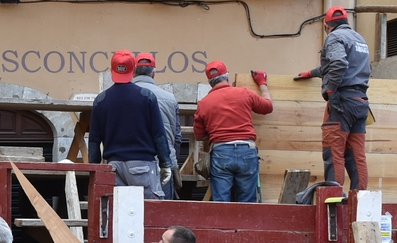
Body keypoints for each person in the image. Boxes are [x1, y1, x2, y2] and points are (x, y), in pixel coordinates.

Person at [296, 6, 372, 192]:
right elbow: (341, 64)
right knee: (356, 155)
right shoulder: (358, 39)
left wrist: (331, 91)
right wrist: (312, 73)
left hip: (342, 102)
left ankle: (333, 203)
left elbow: (338, 63)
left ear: (326, 26)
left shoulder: (334, 37)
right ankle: (359, 203)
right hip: (360, 102)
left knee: (334, 151)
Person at [89, 50, 172, 198]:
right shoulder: (146, 97)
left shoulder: (100, 100)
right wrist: (165, 163)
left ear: (112, 70)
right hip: (143, 166)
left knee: (117, 215)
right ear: (133, 70)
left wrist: (94, 168)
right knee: (149, 215)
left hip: (113, 167)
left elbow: (94, 140)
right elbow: (159, 134)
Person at [192, 61, 273, 203]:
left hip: (220, 152)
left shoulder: (204, 103)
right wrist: (262, 83)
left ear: (210, 82)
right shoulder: (244, 93)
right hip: (247, 151)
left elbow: (199, 135)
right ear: (227, 76)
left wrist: (217, 132)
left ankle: (223, 226)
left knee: (221, 204)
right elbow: (268, 107)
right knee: (247, 204)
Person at [132, 53, 182, 199]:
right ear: (153, 74)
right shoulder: (170, 98)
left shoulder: (125, 96)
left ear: (134, 72)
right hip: (163, 163)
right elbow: (177, 136)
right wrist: (172, 158)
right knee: (163, 213)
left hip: (132, 163)